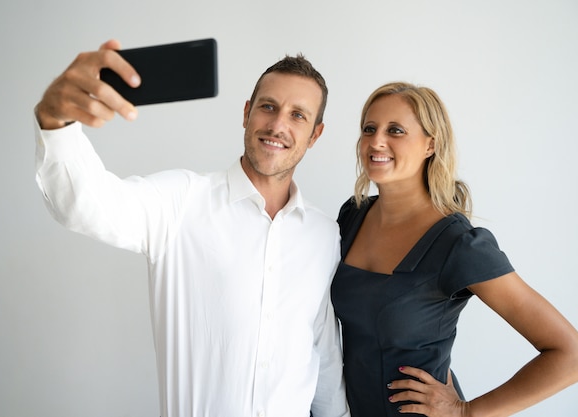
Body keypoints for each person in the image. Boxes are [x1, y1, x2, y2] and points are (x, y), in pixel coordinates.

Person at [34, 39, 349, 417]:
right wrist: (56, 121)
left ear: (315, 134)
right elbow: (85, 205)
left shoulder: (323, 235)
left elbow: (323, 354)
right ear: (247, 113)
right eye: (268, 106)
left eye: (298, 115)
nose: (279, 124)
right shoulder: (180, 201)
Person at [330, 81, 578, 416]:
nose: (377, 141)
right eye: (369, 128)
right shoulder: (352, 215)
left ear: (430, 145)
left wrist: (466, 412)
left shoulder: (458, 244)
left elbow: (570, 355)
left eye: (396, 130)